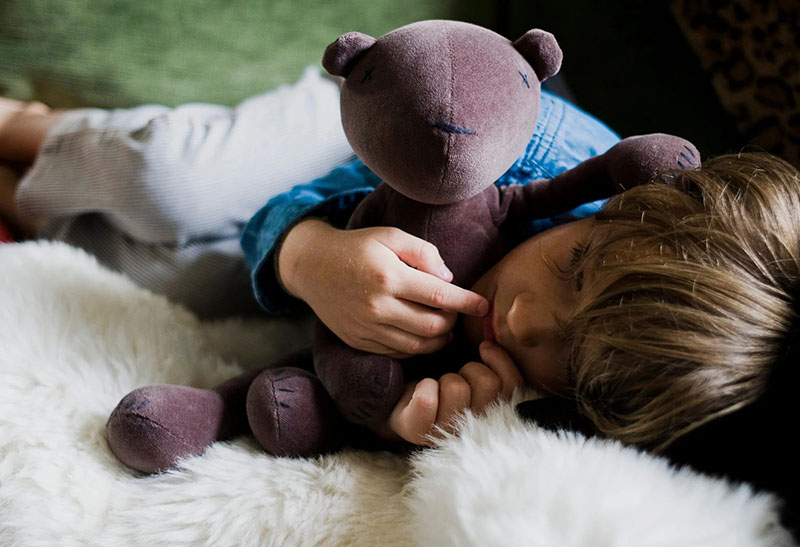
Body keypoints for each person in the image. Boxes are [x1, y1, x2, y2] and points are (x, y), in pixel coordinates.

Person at [2, 69, 795, 454]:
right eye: (578, 268)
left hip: (330, 290)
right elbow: (311, 196)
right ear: (631, 202)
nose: (524, 319)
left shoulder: (609, 402)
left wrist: (410, 424)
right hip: (356, 146)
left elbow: (367, 398)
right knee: (174, 184)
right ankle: (27, 125)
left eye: (575, 354)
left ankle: (24, 196)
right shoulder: (526, 149)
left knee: (157, 280)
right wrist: (308, 256)